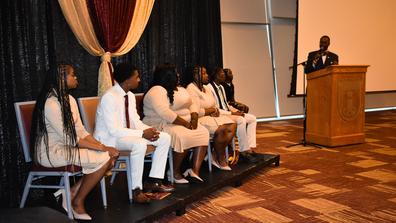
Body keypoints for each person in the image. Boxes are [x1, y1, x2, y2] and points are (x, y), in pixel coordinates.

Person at [30, 64, 119, 220]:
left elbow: (80, 131)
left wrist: (101, 147)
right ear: (61, 79)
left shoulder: (69, 99)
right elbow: (71, 139)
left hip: (67, 148)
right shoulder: (51, 104)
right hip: (51, 152)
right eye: (72, 75)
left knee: (109, 157)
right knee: (105, 156)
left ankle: (71, 193)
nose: (76, 77)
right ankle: (77, 202)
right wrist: (103, 147)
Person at [94, 63, 174, 204]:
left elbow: (136, 121)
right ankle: (136, 189)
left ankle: (153, 180)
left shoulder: (129, 96)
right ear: (127, 80)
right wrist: (142, 134)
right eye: (136, 77)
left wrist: (149, 130)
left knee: (164, 137)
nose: (139, 80)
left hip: (126, 135)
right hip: (109, 139)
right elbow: (114, 130)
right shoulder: (109, 97)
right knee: (140, 143)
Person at [143, 64, 210, 184]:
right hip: (162, 125)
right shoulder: (157, 90)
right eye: (175, 73)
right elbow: (165, 113)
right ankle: (174, 172)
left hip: (183, 123)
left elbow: (192, 103)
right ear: (167, 76)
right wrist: (185, 124)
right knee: (182, 136)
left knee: (203, 132)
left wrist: (194, 117)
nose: (178, 75)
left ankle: (194, 171)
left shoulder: (181, 89)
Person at [185, 66, 236, 170]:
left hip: (212, 116)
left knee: (233, 125)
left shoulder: (206, 88)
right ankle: (220, 158)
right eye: (204, 73)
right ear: (196, 76)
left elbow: (213, 105)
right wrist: (210, 111)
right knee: (222, 129)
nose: (207, 75)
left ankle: (214, 155)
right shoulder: (191, 89)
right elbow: (195, 111)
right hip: (200, 119)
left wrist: (214, 110)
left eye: (206, 73)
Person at [208, 67, 259, 163]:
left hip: (228, 112)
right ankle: (243, 150)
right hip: (220, 115)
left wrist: (236, 111)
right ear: (216, 76)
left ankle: (250, 147)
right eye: (222, 75)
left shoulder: (221, 87)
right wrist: (233, 113)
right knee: (241, 120)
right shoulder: (209, 88)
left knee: (252, 118)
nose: (224, 77)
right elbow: (216, 108)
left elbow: (225, 104)